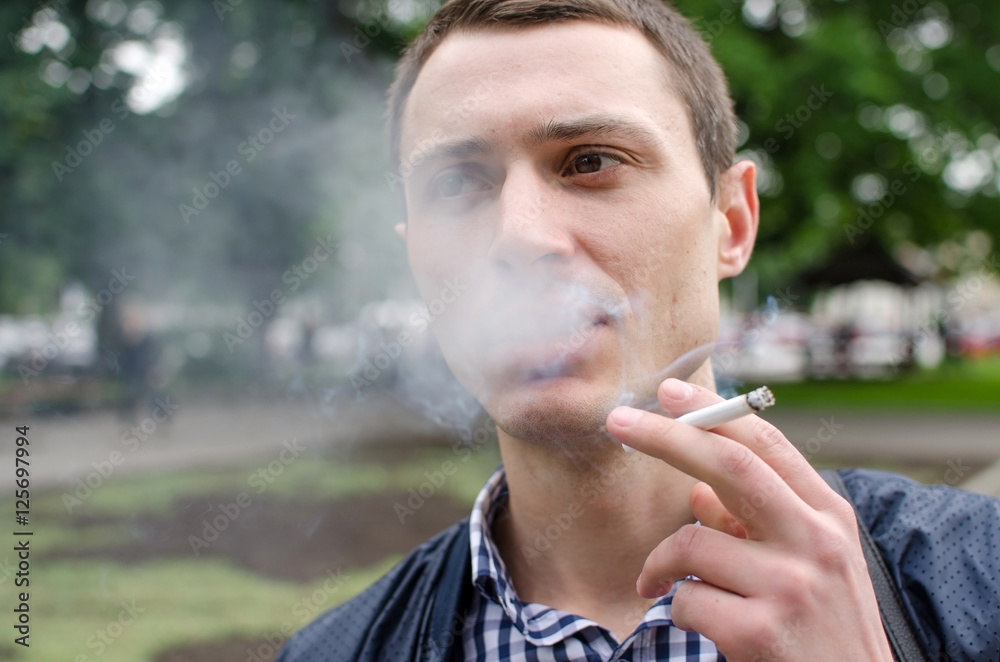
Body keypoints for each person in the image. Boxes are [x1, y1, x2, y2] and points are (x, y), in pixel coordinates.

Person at [278, 1, 1000, 660]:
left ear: (733, 223)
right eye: (458, 184)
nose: (518, 238)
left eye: (591, 161)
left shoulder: (979, 578)